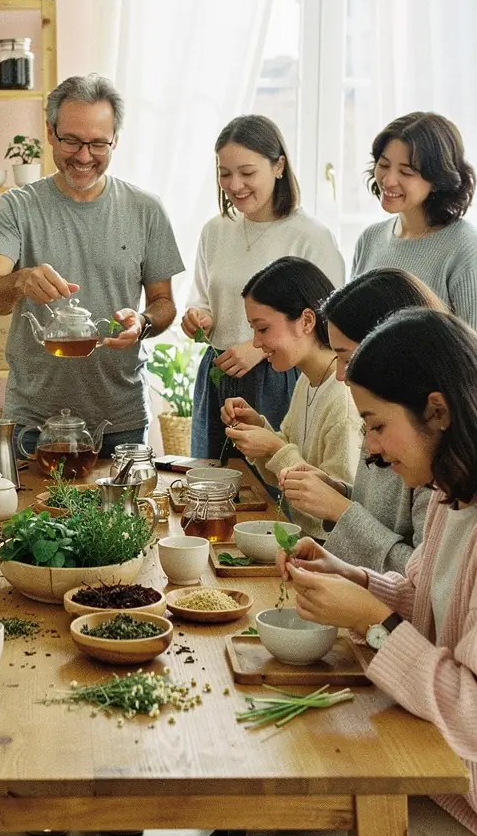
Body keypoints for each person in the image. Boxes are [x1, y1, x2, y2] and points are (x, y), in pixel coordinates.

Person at [165, 269, 443, 836]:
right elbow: (414, 583)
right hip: (395, 668)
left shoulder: (437, 479)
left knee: (288, 810)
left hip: (443, 757)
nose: (368, 438)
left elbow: (408, 578)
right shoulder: (445, 489)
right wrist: (352, 578)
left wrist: (369, 607)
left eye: (350, 356)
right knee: (268, 805)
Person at [221, 308, 477, 836]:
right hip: (457, 780)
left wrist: (373, 624)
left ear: (438, 411)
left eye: (375, 423)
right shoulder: (455, 500)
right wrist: (353, 578)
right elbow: (423, 598)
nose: (369, 448)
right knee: (273, 818)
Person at [0, 73, 185, 457]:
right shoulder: (18, 207)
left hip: (120, 420)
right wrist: (20, 281)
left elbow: (163, 303)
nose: (84, 156)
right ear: (51, 132)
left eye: (98, 143)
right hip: (34, 421)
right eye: (71, 140)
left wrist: (143, 323)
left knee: (121, 518)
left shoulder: (146, 210)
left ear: (115, 140)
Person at [185, 116, 344, 459]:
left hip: (281, 375)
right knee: (210, 481)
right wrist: (199, 317)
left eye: (247, 172)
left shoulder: (310, 236)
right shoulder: (215, 230)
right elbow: (202, 300)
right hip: (218, 371)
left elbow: (328, 323)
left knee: (275, 485)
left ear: (278, 166)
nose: (234, 184)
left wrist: (257, 349)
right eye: (224, 173)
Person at [281, 269, 444, 569]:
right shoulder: (382, 416)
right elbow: (385, 513)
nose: (341, 374)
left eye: (348, 357)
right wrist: (339, 492)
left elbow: (423, 581)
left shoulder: (434, 447)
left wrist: (341, 511)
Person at [220, 257, 361, 538]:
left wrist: (273, 448)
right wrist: (260, 430)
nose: (257, 343)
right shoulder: (307, 381)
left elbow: (336, 514)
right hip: (301, 540)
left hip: (325, 552)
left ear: (306, 320)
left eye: (263, 329)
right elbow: (282, 471)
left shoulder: (343, 397)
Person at [351, 111, 477, 325]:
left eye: (406, 172)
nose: (388, 180)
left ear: (438, 180)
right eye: (383, 165)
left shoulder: (464, 248)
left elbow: (471, 350)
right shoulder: (370, 239)